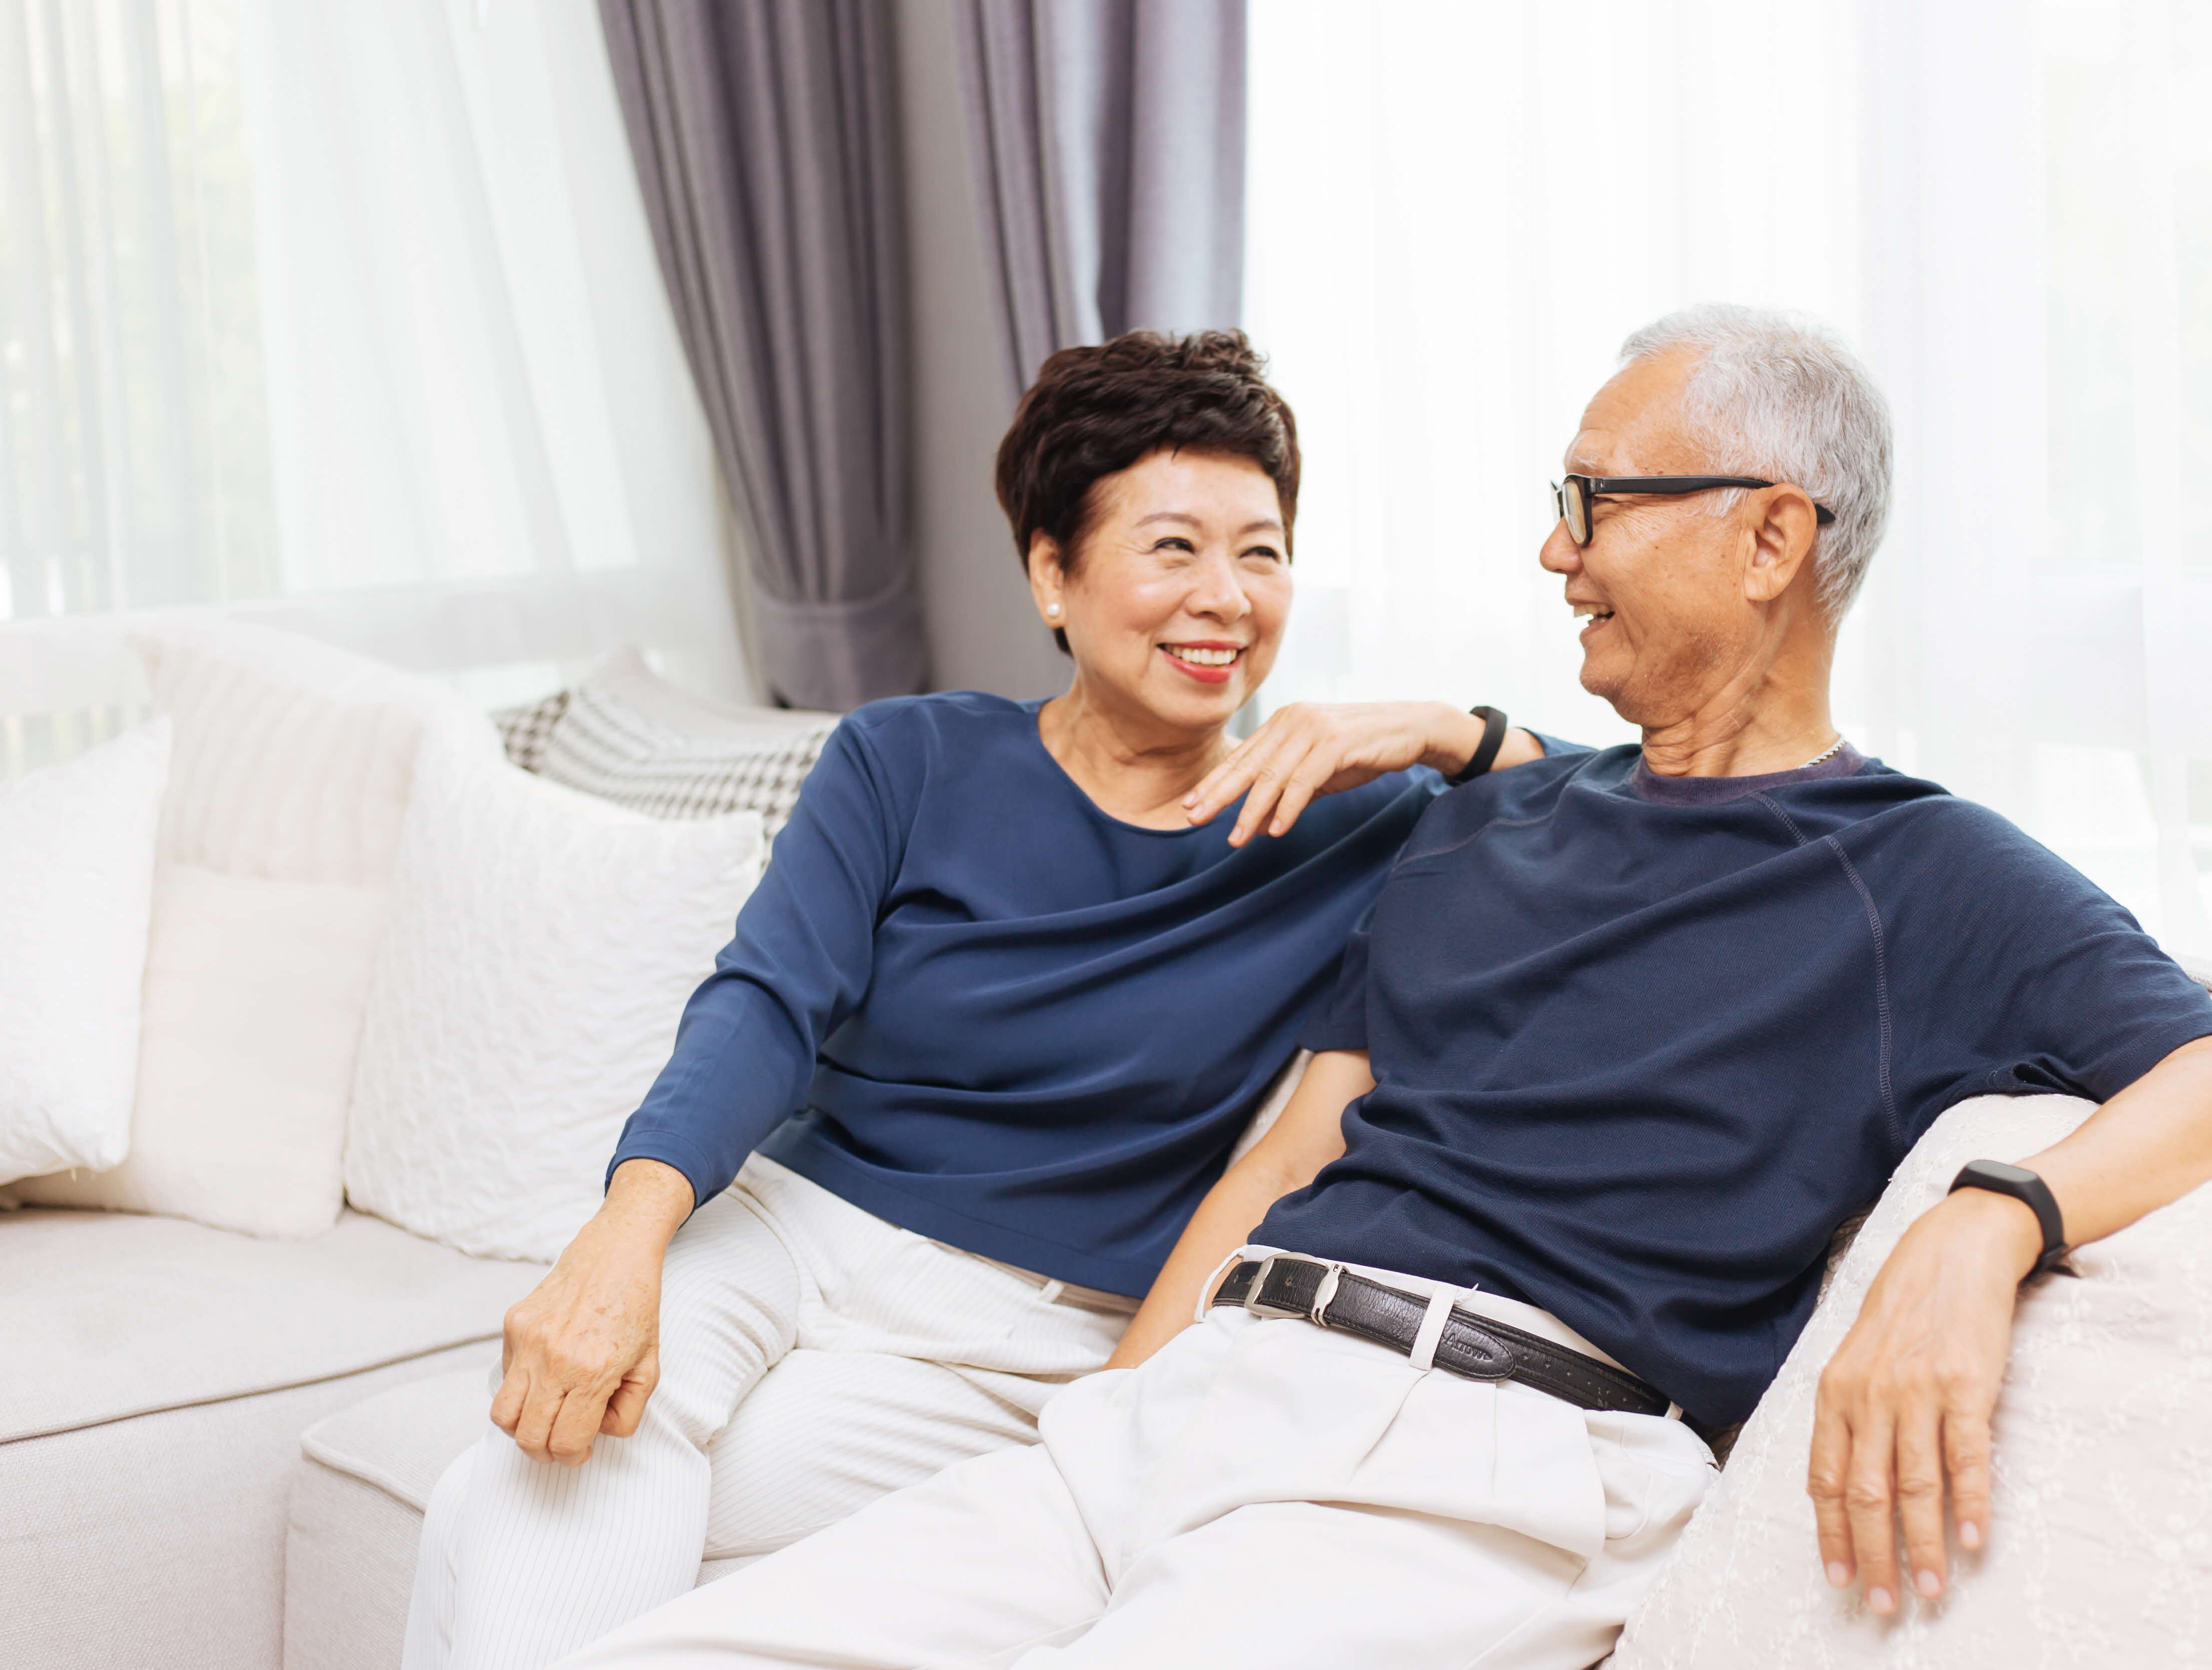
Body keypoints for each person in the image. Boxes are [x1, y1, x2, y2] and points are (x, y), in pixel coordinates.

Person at [545, 304, 2212, 1670]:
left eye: (1598, 502)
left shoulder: (1923, 870)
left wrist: (1985, 1226)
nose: (1558, 550)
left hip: (1484, 1455)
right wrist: (1110, 1423)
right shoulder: (1490, 830)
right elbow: (1286, 1156)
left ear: (1772, 540)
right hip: (1200, 1393)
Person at [403, 329, 1555, 1670]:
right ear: (1052, 574)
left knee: (505, 1492)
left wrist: (1448, 731)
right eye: (1173, 547)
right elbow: (767, 1001)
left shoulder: (1351, 828)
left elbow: (1642, 803)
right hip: (790, 1225)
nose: (1227, 596)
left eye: (1262, 549)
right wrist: (624, 1232)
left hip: (1036, 1332)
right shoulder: (907, 755)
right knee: (577, 1427)